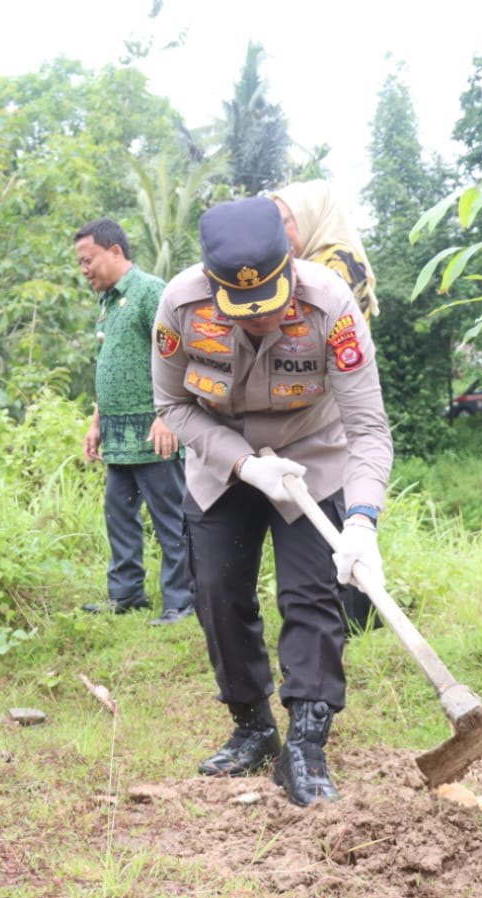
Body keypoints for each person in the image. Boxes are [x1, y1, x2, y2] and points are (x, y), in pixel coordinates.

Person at [152, 197, 393, 806]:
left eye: (270, 303)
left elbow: (368, 429)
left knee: (311, 595)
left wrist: (362, 521)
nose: (261, 319)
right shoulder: (180, 306)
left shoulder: (330, 304)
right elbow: (172, 404)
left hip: (312, 454)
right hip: (222, 460)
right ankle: (253, 728)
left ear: (290, 263)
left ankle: (306, 745)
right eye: (244, 309)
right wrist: (242, 463)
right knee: (217, 592)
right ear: (212, 285)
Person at [73, 218, 192, 625]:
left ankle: (182, 599)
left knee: (170, 517)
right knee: (118, 513)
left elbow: (178, 355)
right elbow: (108, 366)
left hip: (155, 429)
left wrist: (167, 416)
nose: (84, 269)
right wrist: (95, 423)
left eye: (88, 260)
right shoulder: (108, 303)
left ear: (115, 251)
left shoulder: (150, 292)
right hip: (118, 432)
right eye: (80, 263)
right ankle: (126, 594)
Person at [271, 179, 379, 319]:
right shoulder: (304, 262)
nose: (274, 232)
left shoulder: (339, 261)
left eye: (282, 222)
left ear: (309, 220)